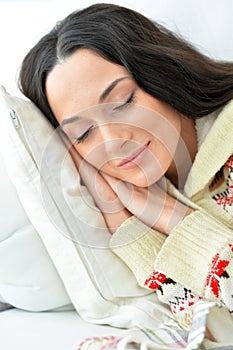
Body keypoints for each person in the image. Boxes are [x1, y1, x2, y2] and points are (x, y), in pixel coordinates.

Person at [18, 3, 233, 331]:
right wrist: (128, 229)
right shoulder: (144, 197)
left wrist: (170, 216)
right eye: (84, 133)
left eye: (123, 103)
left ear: (162, 71)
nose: (112, 141)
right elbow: (210, 327)